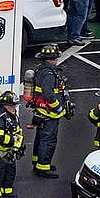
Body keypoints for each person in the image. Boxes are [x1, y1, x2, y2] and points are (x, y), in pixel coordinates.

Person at [31, 44, 68, 178]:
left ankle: (38, 161)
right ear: (53, 58)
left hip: (41, 111)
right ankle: (43, 167)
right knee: (48, 139)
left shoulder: (41, 69)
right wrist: (58, 107)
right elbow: (48, 94)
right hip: (49, 113)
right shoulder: (49, 73)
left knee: (40, 137)